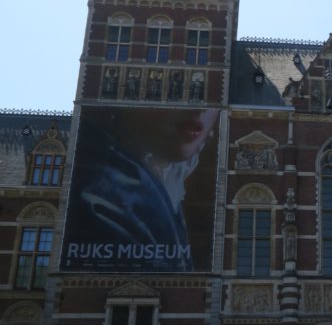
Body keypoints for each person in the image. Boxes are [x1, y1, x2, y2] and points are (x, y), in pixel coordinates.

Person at [62, 106, 220, 273]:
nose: (200, 107)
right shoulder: (108, 194)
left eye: (213, 98)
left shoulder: (158, 184)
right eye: (179, 87)